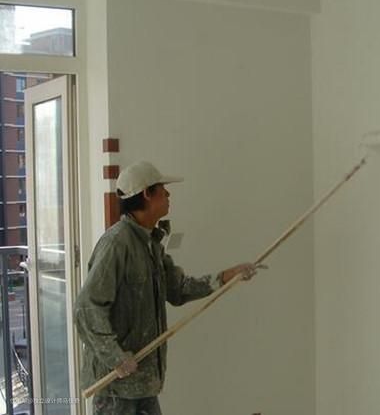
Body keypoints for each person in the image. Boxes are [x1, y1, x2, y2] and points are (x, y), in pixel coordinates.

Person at [74, 161, 259, 415]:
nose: (168, 194)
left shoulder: (151, 243)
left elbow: (178, 289)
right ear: (147, 194)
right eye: (163, 189)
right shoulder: (117, 243)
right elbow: (86, 308)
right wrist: (115, 357)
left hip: (144, 382)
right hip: (116, 390)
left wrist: (228, 276)